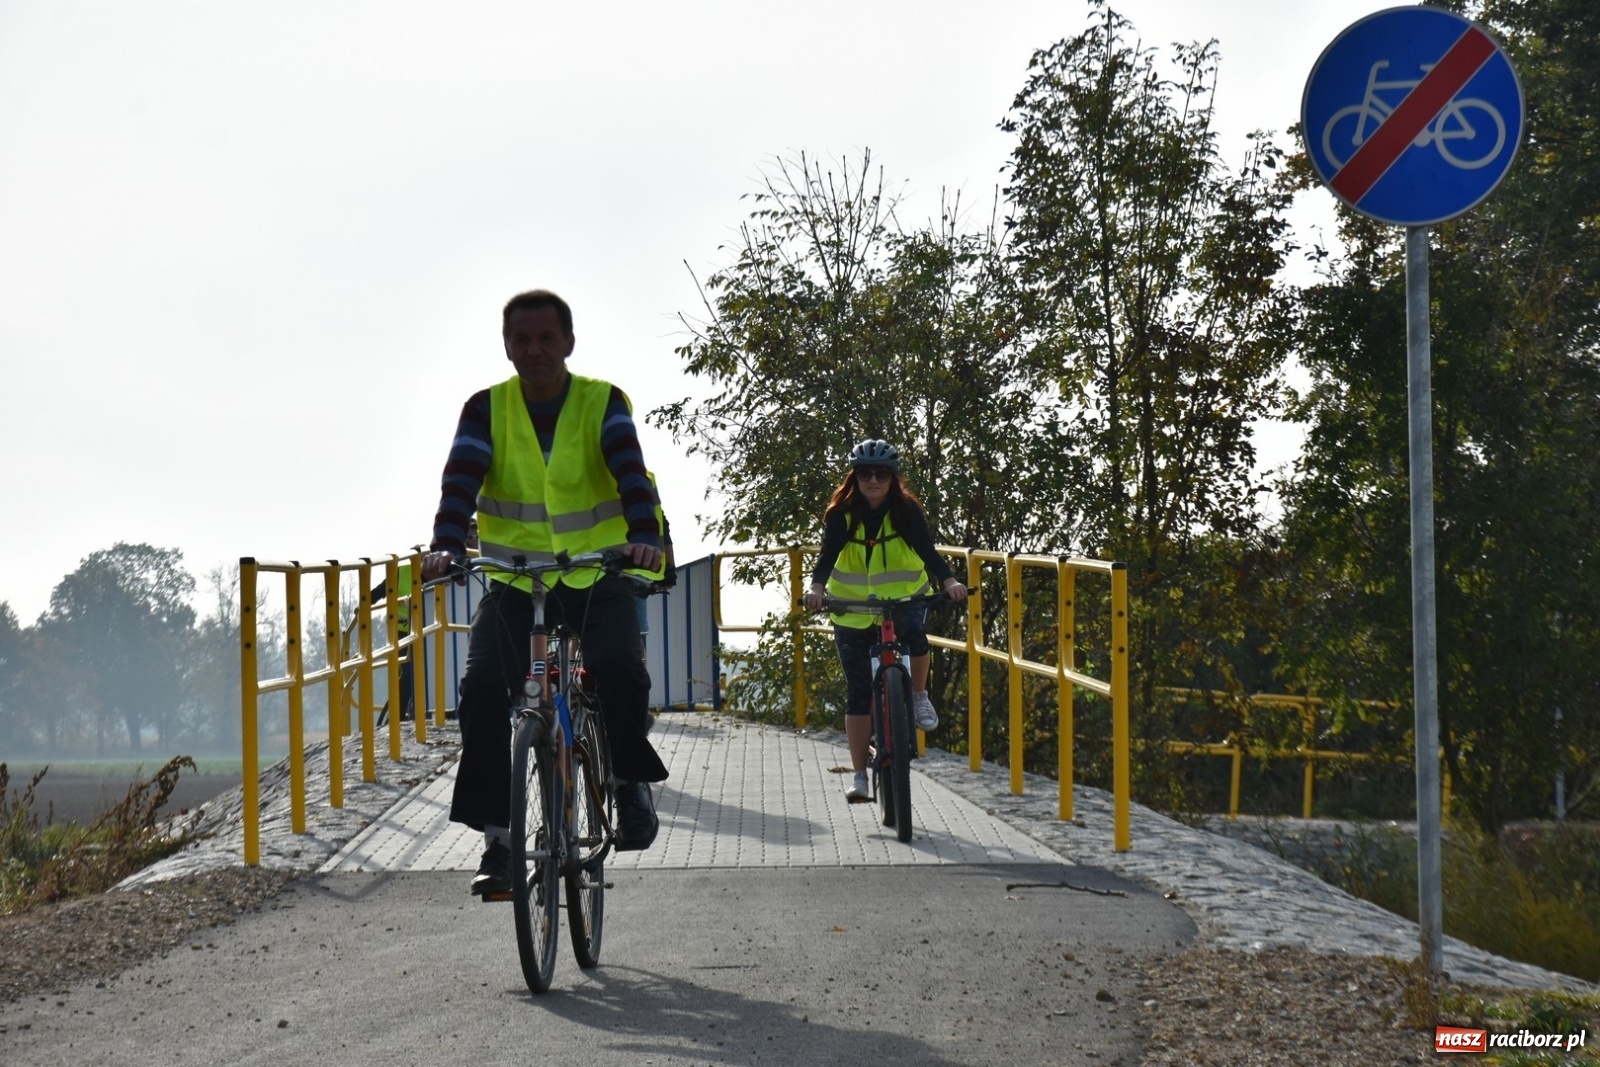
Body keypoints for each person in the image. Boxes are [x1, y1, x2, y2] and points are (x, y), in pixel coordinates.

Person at [422, 288, 668, 897]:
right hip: (513, 577)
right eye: (521, 340)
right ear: (506, 346)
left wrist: (643, 537)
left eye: (545, 339)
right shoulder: (486, 409)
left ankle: (629, 782)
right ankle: (499, 844)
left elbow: (629, 470)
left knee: (618, 669)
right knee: (481, 689)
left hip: (593, 573)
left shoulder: (601, 401)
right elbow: (461, 480)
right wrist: (447, 544)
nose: (533, 350)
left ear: (569, 343)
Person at [802, 439, 967, 802]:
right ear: (854, 477)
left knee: (917, 639)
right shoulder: (841, 514)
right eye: (865, 474)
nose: (873, 480)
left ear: (893, 478)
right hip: (852, 608)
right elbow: (827, 556)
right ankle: (860, 775)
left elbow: (926, 549)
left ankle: (919, 696)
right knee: (859, 691)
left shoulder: (906, 510)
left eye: (881, 474)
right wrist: (815, 587)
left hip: (903, 598)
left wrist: (950, 580)